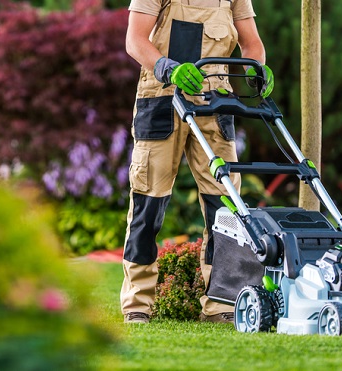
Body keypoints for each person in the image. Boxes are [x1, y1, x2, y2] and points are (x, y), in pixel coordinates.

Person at [121, 0, 274, 324]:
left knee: (226, 204)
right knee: (149, 199)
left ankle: (222, 303)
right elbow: (135, 39)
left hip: (215, 100)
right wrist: (168, 68)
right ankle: (138, 303)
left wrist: (257, 67)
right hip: (162, 96)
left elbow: (251, 43)